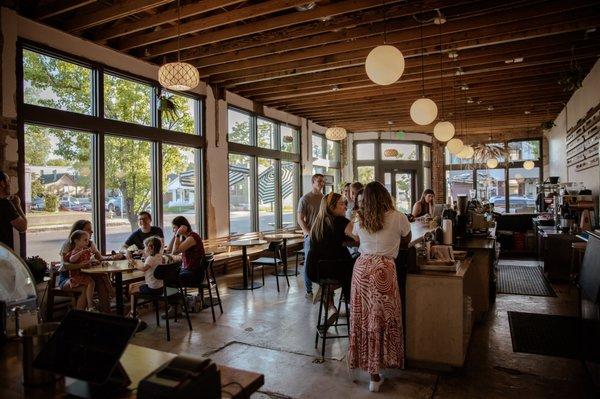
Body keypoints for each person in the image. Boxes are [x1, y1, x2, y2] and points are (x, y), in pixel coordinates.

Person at [347, 181, 412, 392]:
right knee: (385, 318)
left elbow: (356, 240)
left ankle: (372, 374)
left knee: (364, 319)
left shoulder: (360, 220)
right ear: (386, 196)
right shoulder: (398, 216)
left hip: (362, 269)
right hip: (384, 270)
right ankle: (383, 365)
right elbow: (407, 239)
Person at [306, 192, 354, 317]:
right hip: (335, 271)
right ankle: (352, 304)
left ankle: (331, 305)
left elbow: (328, 242)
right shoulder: (342, 221)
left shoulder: (317, 223)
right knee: (355, 262)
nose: (345, 207)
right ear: (332, 207)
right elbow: (360, 238)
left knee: (336, 256)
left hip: (314, 270)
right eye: (342, 204)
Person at [59, 220, 119, 313]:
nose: (92, 232)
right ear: (78, 233)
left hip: (84, 275)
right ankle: (81, 317)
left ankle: (106, 314)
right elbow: (65, 265)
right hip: (68, 277)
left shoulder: (90, 244)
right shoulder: (68, 244)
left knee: (102, 279)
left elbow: (100, 258)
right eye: (88, 230)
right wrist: (82, 265)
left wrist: (113, 257)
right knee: (85, 286)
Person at [297, 173, 325, 298]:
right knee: (309, 262)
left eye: (322, 181)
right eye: (319, 181)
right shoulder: (305, 199)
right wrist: (308, 233)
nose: (321, 183)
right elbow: (300, 219)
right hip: (310, 237)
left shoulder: (325, 198)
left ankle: (323, 289)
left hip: (323, 236)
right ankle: (309, 291)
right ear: (313, 182)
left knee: (323, 262)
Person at [129, 236, 164, 315]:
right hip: (161, 287)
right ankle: (143, 305)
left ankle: (133, 311)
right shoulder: (160, 256)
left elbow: (143, 269)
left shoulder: (150, 258)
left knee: (132, 287)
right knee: (140, 284)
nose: (144, 249)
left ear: (151, 247)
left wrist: (134, 264)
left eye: (145, 247)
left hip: (153, 289)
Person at [62, 230, 96, 311]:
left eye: (88, 240)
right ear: (76, 241)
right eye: (85, 240)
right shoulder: (75, 251)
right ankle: (89, 307)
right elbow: (71, 259)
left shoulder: (85, 251)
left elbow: (88, 261)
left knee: (94, 282)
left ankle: (89, 307)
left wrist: (92, 261)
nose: (87, 242)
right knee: (89, 284)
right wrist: (81, 253)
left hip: (83, 275)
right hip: (76, 276)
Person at [167, 216, 205, 286]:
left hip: (195, 274)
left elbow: (174, 252)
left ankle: (177, 296)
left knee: (168, 279)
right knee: (168, 275)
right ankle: (177, 296)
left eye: (174, 228)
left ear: (181, 227)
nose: (173, 230)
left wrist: (177, 234)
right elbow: (169, 250)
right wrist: (175, 235)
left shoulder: (192, 237)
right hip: (188, 270)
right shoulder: (185, 238)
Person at [0, 170, 27, 249]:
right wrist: (17, 206)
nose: (9, 184)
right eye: (8, 181)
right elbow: (22, 227)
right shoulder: (5, 204)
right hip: (3, 254)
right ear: (2, 183)